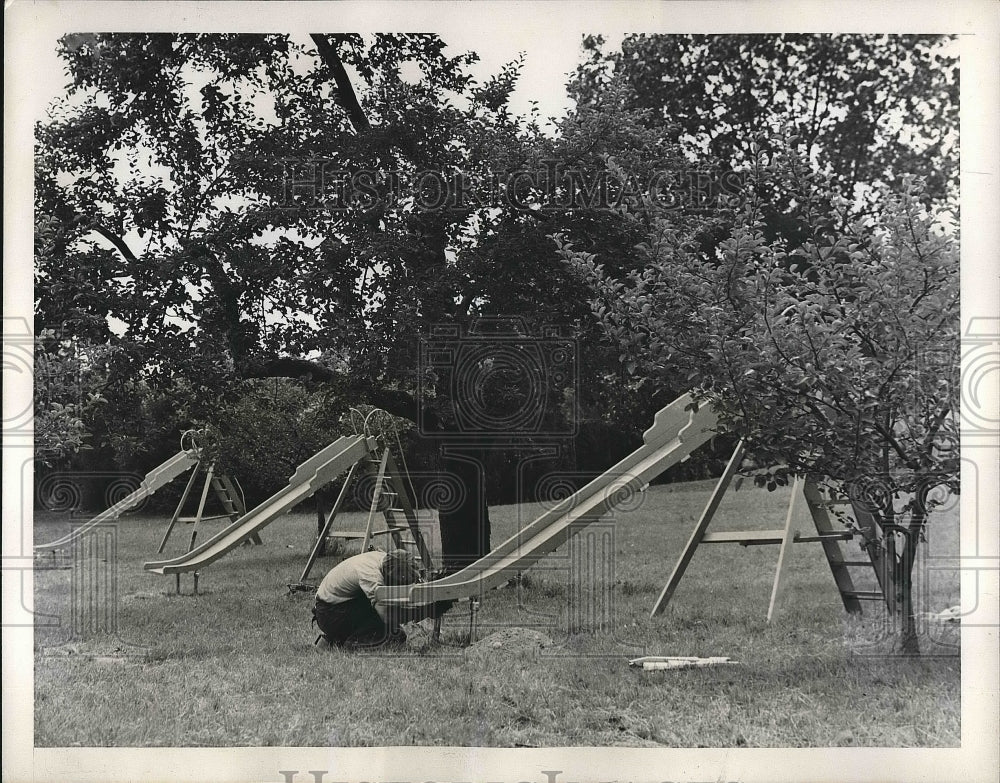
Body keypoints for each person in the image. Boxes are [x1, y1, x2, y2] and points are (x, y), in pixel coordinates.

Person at [311, 548, 454, 648]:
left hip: (340, 605)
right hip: (330, 614)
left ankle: (338, 639)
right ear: (388, 578)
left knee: (394, 633)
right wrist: (425, 611)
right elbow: (388, 616)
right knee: (393, 637)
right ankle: (350, 642)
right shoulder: (371, 577)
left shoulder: (386, 559)